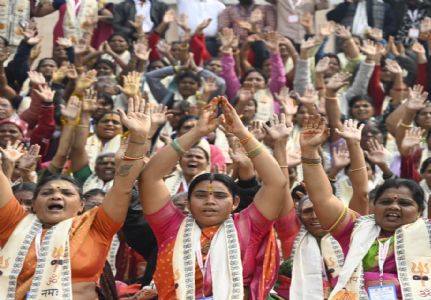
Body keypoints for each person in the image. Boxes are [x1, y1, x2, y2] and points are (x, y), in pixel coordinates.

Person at [300, 114, 431, 298]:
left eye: (404, 203)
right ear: (374, 206)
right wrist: (308, 151)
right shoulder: (355, 229)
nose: (394, 207)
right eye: (386, 202)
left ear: (420, 211)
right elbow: (322, 199)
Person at [0, 96, 151, 299]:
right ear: (33, 205)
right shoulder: (15, 224)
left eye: (66, 193)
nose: (56, 195)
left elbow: (123, 185)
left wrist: (139, 139)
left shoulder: (97, 226)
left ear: (81, 205)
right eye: (46, 192)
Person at [138, 96, 287, 299]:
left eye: (219, 196)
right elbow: (149, 177)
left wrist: (241, 132)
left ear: (235, 202)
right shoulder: (171, 226)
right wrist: (197, 132)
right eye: (200, 196)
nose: (210, 201)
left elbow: (277, 183)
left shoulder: (247, 225)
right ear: (188, 204)